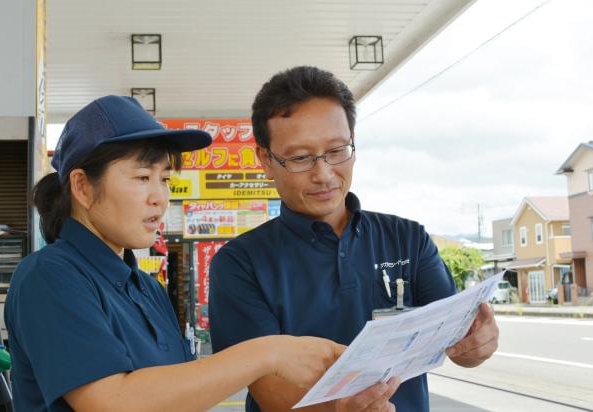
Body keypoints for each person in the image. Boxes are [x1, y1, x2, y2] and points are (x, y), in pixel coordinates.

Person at [4, 96, 346, 412]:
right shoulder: (49, 276)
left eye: (165, 179)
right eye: (142, 177)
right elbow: (112, 402)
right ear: (82, 186)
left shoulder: (146, 288)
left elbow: (177, 395)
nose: (159, 197)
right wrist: (267, 353)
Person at [209, 66, 499, 411]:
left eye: (336, 151)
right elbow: (271, 393)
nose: (324, 174)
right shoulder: (240, 263)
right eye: (301, 158)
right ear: (266, 161)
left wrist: (478, 345)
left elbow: (458, 341)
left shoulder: (408, 239)